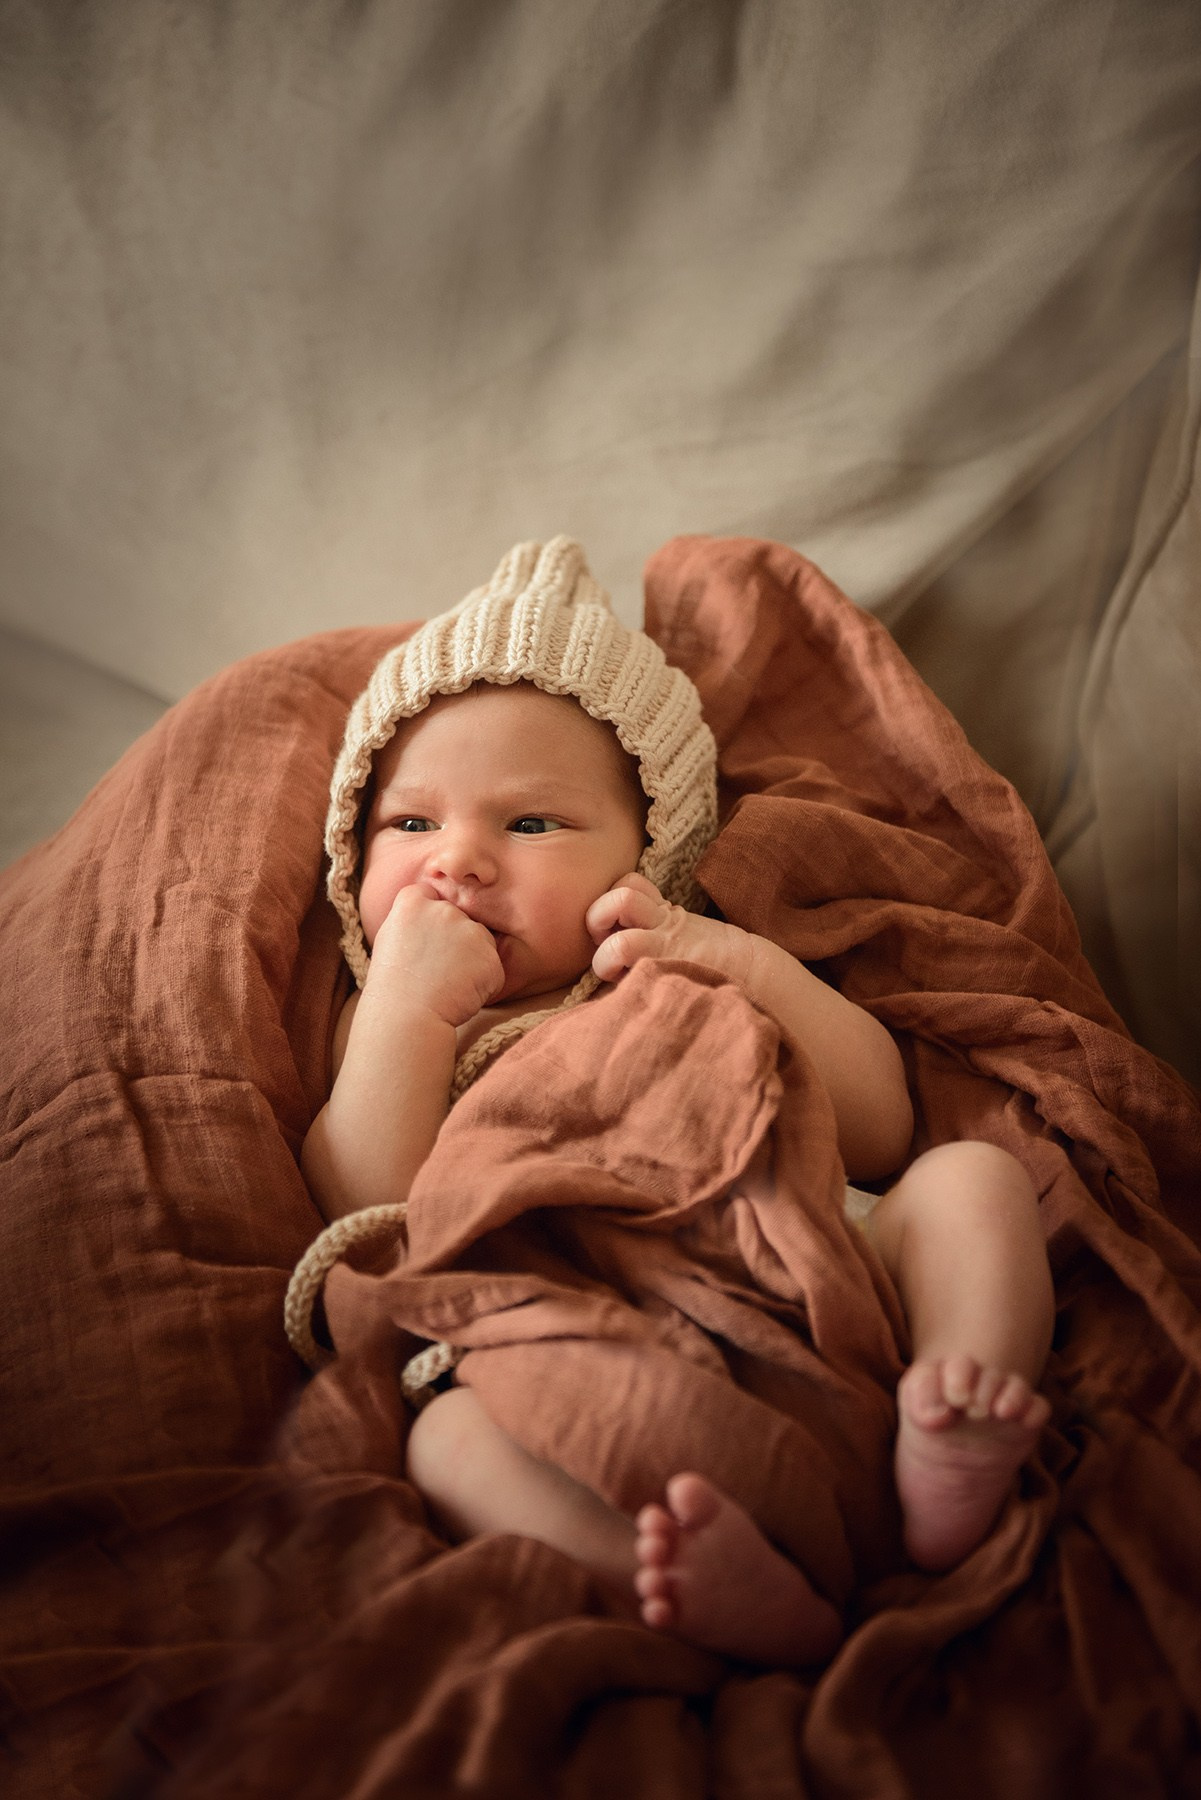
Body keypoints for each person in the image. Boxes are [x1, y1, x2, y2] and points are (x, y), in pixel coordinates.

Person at [297, 536, 1054, 1669]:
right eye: (409, 825)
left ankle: (953, 1406)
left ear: (650, 854)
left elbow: (885, 1131)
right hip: (581, 1326)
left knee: (970, 1182)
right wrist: (407, 1011)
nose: (458, 860)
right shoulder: (396, 1022)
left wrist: (735, 965)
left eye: (530, 823)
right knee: (448, 1437)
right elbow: (369, 1204)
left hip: (810, 1262)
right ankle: (669, 1573)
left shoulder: (690, 962)